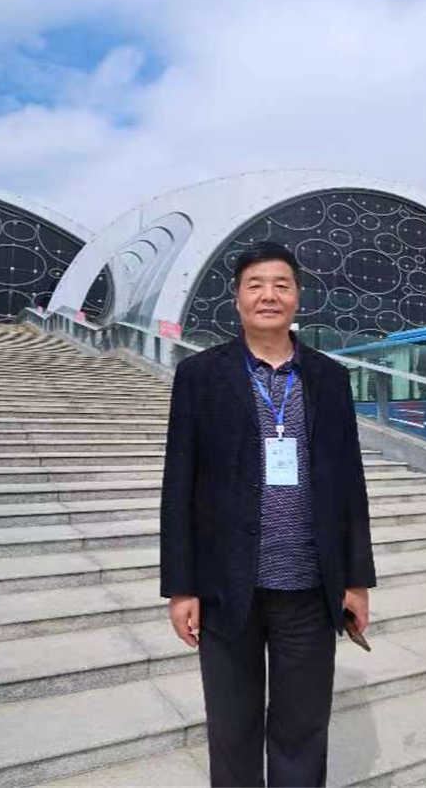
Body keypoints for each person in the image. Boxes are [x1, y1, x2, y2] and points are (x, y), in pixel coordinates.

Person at [160, 241, 376, 788]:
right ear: (236, 299)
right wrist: (181, 588)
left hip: (309, 587)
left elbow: (349, 484)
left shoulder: (328, 378)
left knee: (302, 728)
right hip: (225, 586)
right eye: (255, 285)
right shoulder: (200, 376)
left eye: (281, 284)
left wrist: (356, 580)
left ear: (298, 296)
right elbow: (178, 485)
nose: (268, 295)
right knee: (231, 730)